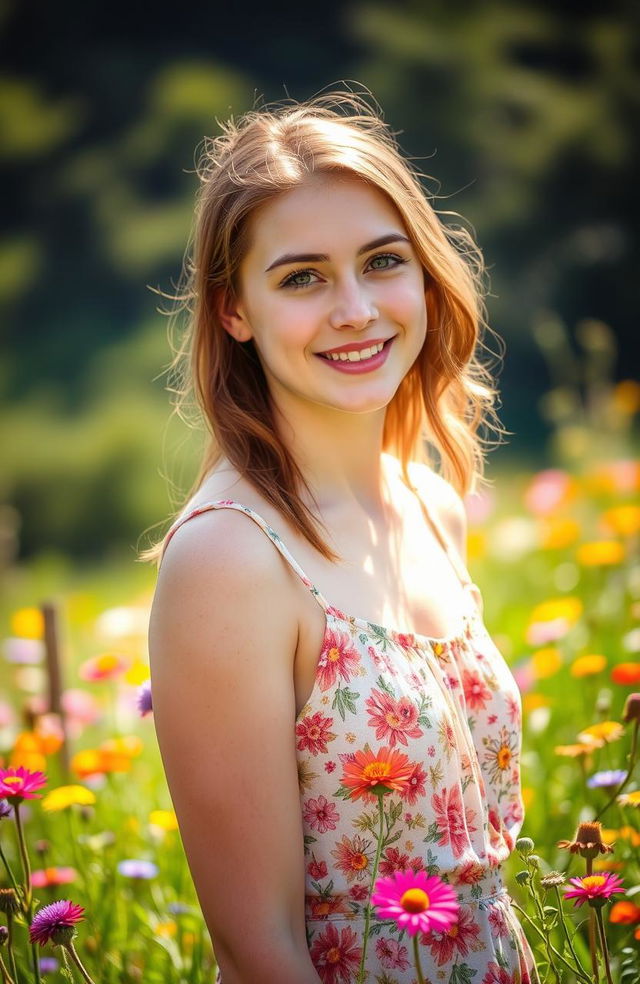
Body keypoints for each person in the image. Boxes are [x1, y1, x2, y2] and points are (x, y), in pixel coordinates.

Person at [144, 88, 539, 984]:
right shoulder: (231, 558)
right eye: (302, 277)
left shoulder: (429, 506)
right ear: (234, 311)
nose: (356, 309)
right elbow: (258, 951)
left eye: (382, 261)